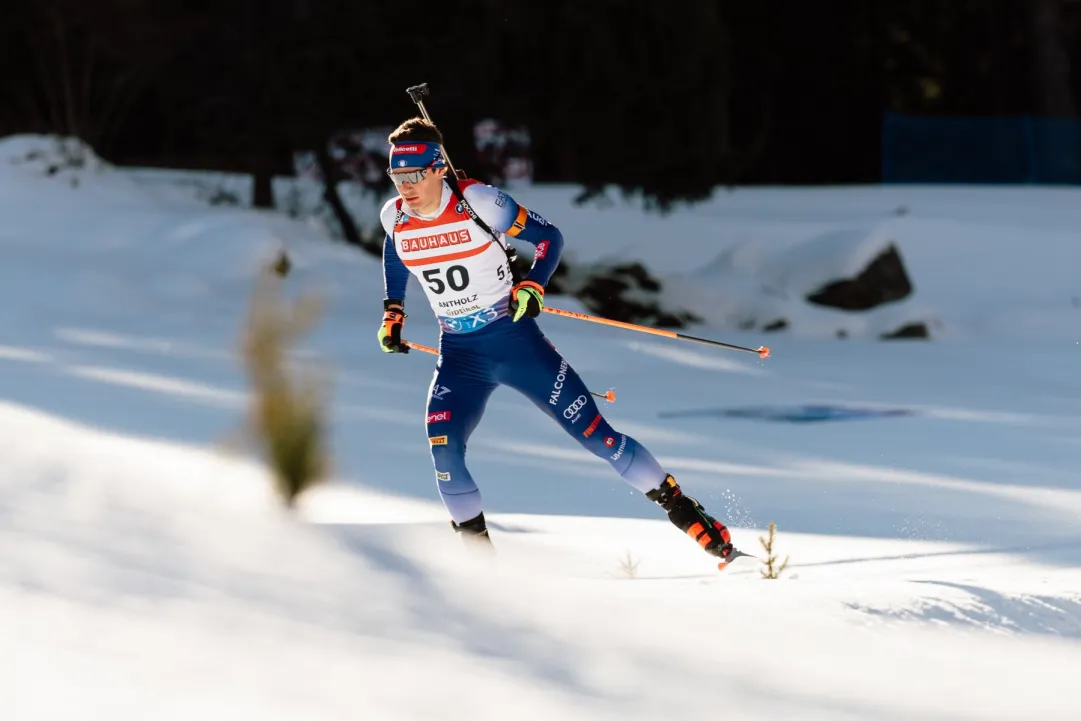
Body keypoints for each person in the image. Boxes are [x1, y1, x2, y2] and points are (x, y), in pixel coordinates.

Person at [376, 117, 736, 564]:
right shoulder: (394, 215)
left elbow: (549, 237)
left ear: (436, 169)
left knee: (597, 437)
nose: (404, 186)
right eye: (396, 176)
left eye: (412, 175)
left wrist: (533, 285)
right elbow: (395, 249)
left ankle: (686, 511)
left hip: (514, 343)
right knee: (443, 450)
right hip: (459, 355)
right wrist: (394, 309)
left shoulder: (479, 202)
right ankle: (481, 567)